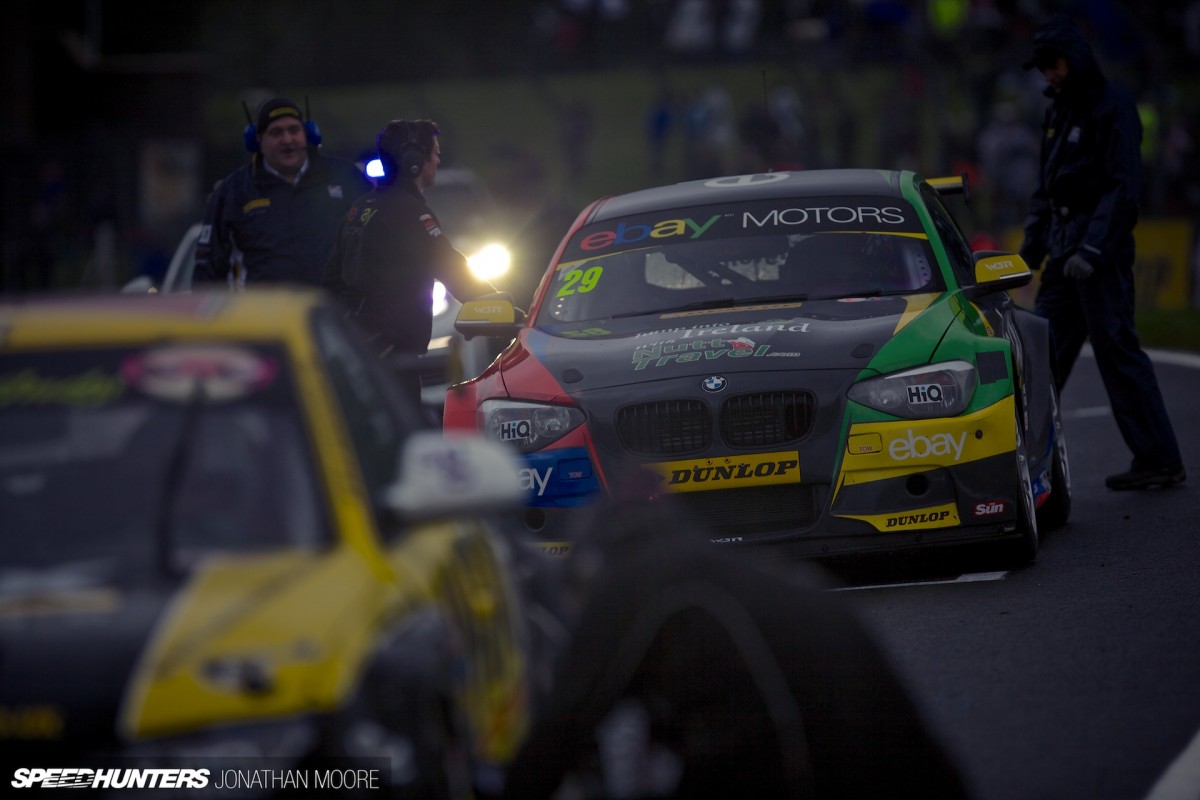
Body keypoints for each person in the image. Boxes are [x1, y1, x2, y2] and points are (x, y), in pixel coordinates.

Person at [501, 471, 971, 800]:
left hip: (810, 768)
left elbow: (565, 722)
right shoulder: (728, 572)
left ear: (593, 561)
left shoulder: (638, 581)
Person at [1017, 14, 1185, 491]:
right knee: (1039, 357)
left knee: (1117, 353)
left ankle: (1160, 459)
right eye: (1042, 66)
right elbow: (1045, 190)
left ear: (1074, 57)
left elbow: (1123, 186)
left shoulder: (1113, 107)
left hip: (1099, 256)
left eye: (1053, 63)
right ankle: (1024, 465)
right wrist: (1028, 255)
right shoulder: (1058, 111)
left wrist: (1093, 247)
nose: (1048, 73)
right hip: (1064, 252)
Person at [323, 119, 496, 410]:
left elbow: (330, 282)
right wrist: (503, 307)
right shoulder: (411, 214)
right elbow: (455, 272)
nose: (438, 160)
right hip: (393, 359)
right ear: (415, 161)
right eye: (435, 152)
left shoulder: (362, 207)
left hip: (362, 352)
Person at [195, 96, 369, 287]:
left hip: (334, 312)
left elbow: (376, 240)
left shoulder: (345, 177)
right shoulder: (234, 190)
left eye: (294, 130)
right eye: (276, 133)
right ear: (257, 140)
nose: (287, 140)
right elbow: (208, 269)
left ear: (308, 133)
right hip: (267, 314)